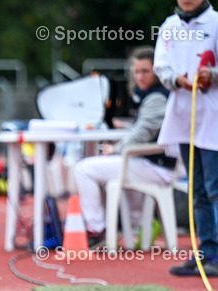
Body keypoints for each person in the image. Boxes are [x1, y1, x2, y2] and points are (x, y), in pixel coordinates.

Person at [154, 0, 218, 276]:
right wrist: (176, 79)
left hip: (211, 117)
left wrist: (211, 74)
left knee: (216, 185)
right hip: (183, 116)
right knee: (196, 189)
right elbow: (161, 66)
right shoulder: (170, 26)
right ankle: (206, 251)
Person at [73, 47, 177, 249]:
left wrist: (117, 149)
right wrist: (127, 130)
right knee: (114, 168)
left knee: (83, 170)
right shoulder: (155, 95)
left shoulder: (157, 97)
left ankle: (96, 230)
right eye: (136, 72)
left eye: (145, 71)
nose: (140, 76)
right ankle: (139, 227)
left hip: (158, 166)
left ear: (157, 72)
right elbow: (147, 129)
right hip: (155, 162)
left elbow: (143, 133)